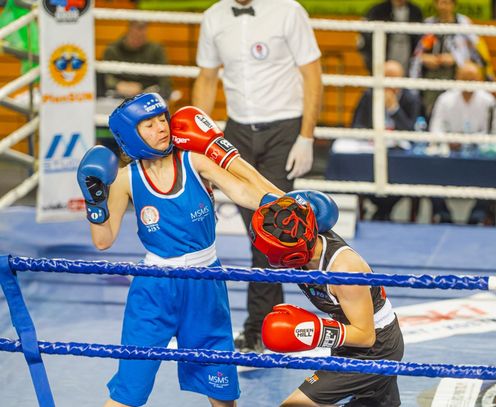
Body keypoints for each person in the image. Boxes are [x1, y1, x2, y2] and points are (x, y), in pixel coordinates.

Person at [77, 92, 286, 407]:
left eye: (162, 119)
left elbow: (245, 193)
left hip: (205, 283)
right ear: (130, 135)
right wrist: (94, 202)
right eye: (149, 125)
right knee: (128, 392)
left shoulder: (194, 160)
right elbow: (103, 240)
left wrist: (286, 203)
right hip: (154, 290)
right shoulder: (126, 179)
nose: (162, 127)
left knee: (223, 393)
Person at [192, 0, 323, 353]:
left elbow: (312, 74)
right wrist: (197, 144)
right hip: (236, 132)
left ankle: (263, 328)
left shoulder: (288, 10)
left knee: (275, 230)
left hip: (284, 129)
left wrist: (307, 136)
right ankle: (271, 325)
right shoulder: (213, 17)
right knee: (259, 235)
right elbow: (207, 79)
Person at [250, 196, 404, 406]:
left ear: (289, 254)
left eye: (270, 251)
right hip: (349, 340)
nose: (267, 256)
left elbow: (366, 336)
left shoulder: (344, 270)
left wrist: (313, 331)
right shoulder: (293, 227)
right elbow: (259, 195)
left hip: (375, 349)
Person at [429, 62, 496, 224]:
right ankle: (443, 214)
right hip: (449, 153)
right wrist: (449, 140)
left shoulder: (488, 100)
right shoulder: (445, 99)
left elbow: (492, 132)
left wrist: (468, 140)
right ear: (457, 78)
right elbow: (435, 128)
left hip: (479, 155)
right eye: (465, 78)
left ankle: (478, 215)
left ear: (480, 79)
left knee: (493, 171)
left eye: (472, 78)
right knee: (430, 169)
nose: (468, 82)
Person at [351, 60, 421, 221]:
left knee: (404, 172)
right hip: (371, 150)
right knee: (361, 169)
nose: (389, 82)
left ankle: (385, 210)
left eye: (394, 78)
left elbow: (412, 130)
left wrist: (394, 109)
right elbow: (357, 124)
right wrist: (371, 135)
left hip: (399, 154)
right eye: (386, 77)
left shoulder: (411, 98)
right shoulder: (369, 95)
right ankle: (377, 210)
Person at [409, 0, 495, 119]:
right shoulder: (429, 24)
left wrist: (455, 59)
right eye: (440, 2)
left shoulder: (463, 24)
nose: (443, 6)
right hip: (431, 77)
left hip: (456, 76)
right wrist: (425, 58)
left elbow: (477, 56)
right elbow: (416, 54)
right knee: (429, 112)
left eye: (447, 2)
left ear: (454, 4)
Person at [101, 21, 172, 99]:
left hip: (147, 95)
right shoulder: (113, 49)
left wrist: (145, 89)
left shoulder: (156, 50)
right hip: (117, 95)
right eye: (134, 35)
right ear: (128, 32)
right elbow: (105, 76)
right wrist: (118, 85)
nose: (137, 40)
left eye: (141, 37)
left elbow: (164, 80)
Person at [359, 0, 423, 73]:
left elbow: (420, 43)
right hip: (383, 65)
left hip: (410, 66)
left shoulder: (415, 12)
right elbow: (365, 42)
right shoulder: (376, 11)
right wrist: (376, 65)